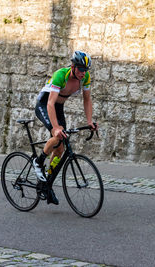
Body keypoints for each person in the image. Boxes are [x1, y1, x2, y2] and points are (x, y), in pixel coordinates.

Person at [33, 51, 98, 205]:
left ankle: (47, 182)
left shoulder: (85, 78)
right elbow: (50, 103)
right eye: (81, 69)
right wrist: (55, 127)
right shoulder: (60, 75)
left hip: (59, 107)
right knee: (57, 135)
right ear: (73, 66)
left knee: (61, 148)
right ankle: (38, 161)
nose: (83, 73)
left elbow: (87, 100)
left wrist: (90, 121)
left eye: (86, 70)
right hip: (44, 104)